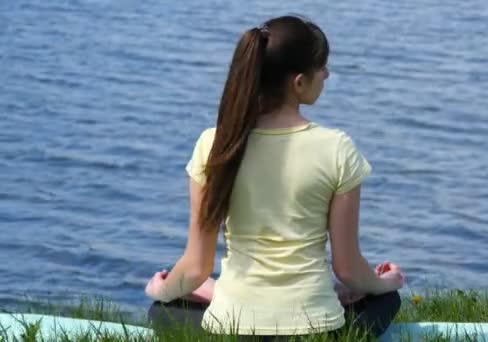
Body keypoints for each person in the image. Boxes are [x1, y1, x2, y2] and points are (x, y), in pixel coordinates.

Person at [144, 15, 405, 339]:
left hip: (233, 329)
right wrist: (383, 283)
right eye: (321, 67)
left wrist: (162, 290)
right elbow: (349, 269)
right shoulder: (337, 149)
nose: (327, 74)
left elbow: (195, 267)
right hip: (316, 332)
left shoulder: (214, 145)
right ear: (298, 82)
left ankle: (216, 293)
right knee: (386, 300)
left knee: (162, 311)